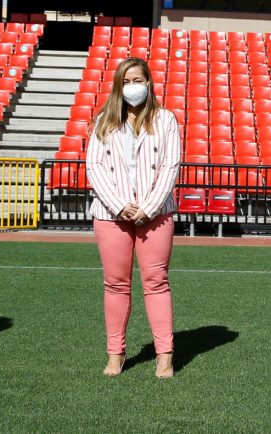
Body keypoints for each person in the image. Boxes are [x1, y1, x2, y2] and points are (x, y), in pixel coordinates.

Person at [85, 57, 181, 378]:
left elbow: (170, 166)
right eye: (126, 82)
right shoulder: (103, 121)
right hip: (111, 214)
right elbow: (94, 167)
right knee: (115, 284)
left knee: (156, 283)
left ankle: (164, 356)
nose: (132, 87)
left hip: (155, 215)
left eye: (138, 80)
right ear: (117, 86)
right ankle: (115, 354)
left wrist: (148, 207)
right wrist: (119, 205)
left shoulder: (166, 120)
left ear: (149, 83)